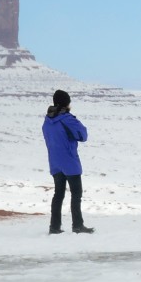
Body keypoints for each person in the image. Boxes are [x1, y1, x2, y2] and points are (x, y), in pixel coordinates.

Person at [44, 89, 93, 235]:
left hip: (55, 162)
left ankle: (54, 227)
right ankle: (78, 225)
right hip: (70, 162)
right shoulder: (67, 119)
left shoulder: (47, 121)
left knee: (58, 194)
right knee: (76, 194)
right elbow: (83, 135)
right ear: (66, 103)